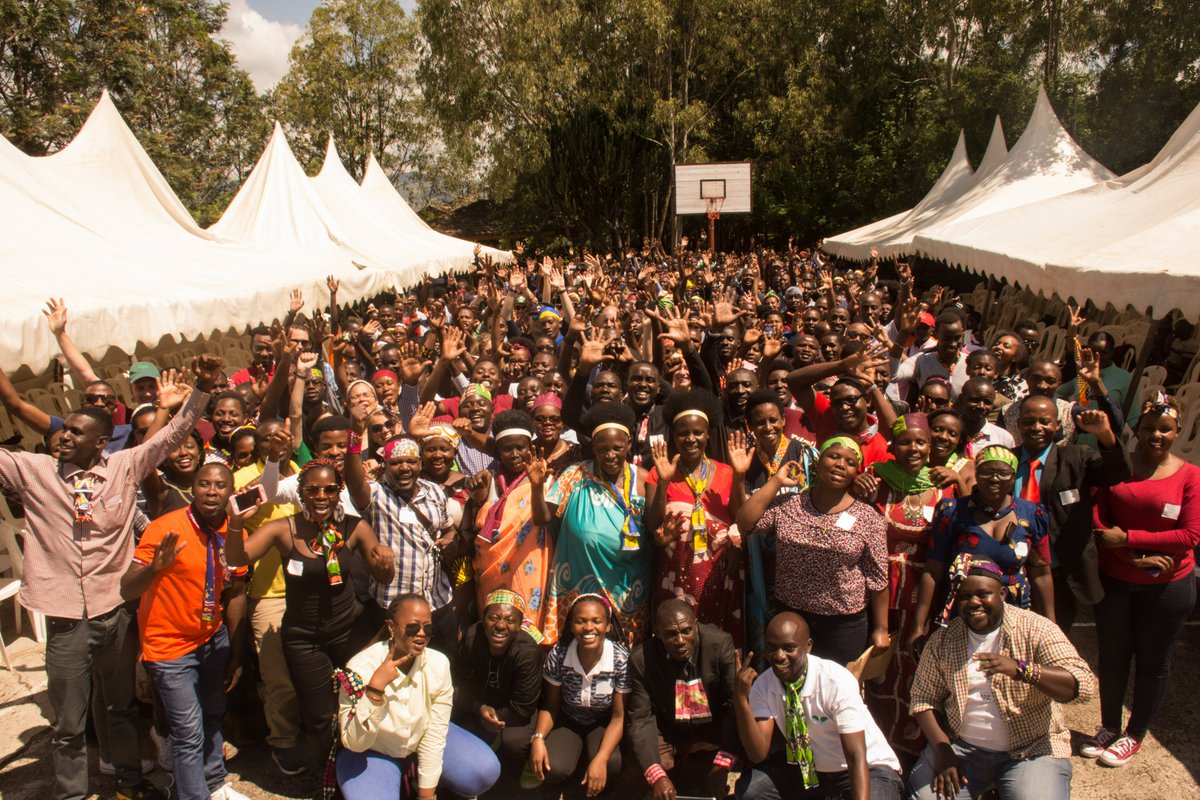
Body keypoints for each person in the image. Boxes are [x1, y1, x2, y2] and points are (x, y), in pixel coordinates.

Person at [0, 369, 208, 800]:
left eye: (76, 432)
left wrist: (199, 390)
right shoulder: (33, 470)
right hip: (66, 620)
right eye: (65, 431)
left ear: (100, 442)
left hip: (115, 612)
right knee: (68, 724)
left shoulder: (123, 467)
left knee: (121, 708)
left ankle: (129, 783)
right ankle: (71, 794)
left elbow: (172, 437)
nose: (64, 437)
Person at [223, 459, 395, 772]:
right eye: (312, 489)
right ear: (300, 492)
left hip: (348, 632)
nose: (321, 496)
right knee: (317, 714)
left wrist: (385, 564)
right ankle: (328, 769)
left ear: (339, 492)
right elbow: (236, 558)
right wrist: (235, 523)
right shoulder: (282, 529)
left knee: (356, 699)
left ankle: (360, 763)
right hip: (304, 639)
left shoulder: (354, 527)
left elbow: (382, 576)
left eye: (330, 489)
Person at [908, 557, 1095, 800]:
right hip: (963, 749)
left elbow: (1082, 685)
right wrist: (943, 751)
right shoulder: (943, 640)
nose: (974, 602)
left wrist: (1023, 670)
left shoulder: (1037, 629)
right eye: (964, 596)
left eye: (983, 594)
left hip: (1031, 749)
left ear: (1003, 593)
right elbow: (922, 699)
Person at [119, 463, 250, 800]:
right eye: (204, 484)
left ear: (230, 491)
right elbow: (127, 589)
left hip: (211, 638)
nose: (211, 491)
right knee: (188, 732)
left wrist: (235, 653)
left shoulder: (234, 531)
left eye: (220, 485)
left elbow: (235, 591)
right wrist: (153, 568)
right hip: (169, 647)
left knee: (212, 715)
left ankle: (214, 781)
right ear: (192, 489)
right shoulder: (165, 529)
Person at [1082, 393, 1200, 767]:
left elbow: (1190, 535)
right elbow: (1100, 521)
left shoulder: (1191, 476)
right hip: (1116, 578)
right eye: (1149, 428)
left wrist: (1131, 540)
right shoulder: (1115, 466)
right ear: (1138, 430)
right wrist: (1133, 556)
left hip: (1168, 587)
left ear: (1176, 432)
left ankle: (1134, 735)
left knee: (1153, 662)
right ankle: (1109, 726)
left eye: (1164, 429)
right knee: (1113, 656)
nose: (1156, 436)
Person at [853, 413, 957, 758]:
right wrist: (856, 484)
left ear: (930, 447)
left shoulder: (944, 486)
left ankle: (913, 747)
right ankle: (876, 746)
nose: (913, 448)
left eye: (920, 442)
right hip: (877, 591)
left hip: (920, 591)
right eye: (905, 441)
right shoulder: (876, 481)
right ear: (893, 446)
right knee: (876, 668)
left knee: (915, 665)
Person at [736, 437, 889, 665]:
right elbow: (744, 523)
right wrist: (776, 482)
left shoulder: (869, 519)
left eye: (849, 462)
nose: (840, 464)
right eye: (834, 456)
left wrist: (881, 628)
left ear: (855, 472)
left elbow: (877, 578)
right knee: (789, 690)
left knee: (834, 694)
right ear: (818, 462)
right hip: (791, 618)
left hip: (843, 626)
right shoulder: (789, 505)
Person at [335, 594, 500, 800]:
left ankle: (415, 780)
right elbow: (355, 743)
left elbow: (435, 732)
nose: (422, 634)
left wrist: (426, 794)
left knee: (484, 770)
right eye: (413, 627)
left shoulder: (438, 664)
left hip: (420, 739)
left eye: (428, 628)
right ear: (391, 627)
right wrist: (375, 691)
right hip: (373, 752)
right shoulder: (359, 668)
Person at [733, 611, 904, 799]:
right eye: (772, 647)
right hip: (810, 768)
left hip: (867, 769)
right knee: (752, 792)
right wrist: (741, 700)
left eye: (789, 648)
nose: (779, 656)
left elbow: (856, 757)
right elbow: (757, 753)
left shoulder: (835, 681)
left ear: (808, 647)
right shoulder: (763, 685)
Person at [909, 446, 1053, 651]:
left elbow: (1041, 574)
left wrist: (1051, 627)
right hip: (963, 612)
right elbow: (933, 570)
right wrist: (918, 626)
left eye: (1003, 473)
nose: (994, 479)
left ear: (1013, 477)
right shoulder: (953, 512)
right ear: (976, 474)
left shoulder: (1031, 515)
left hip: (1013, 611)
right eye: (986, 472)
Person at [534, 402, 652, 644]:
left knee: (623, 651)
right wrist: (537, 486)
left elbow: (653, 527)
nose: (610, 455)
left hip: (628, 587)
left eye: (617, 448)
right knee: (576, 646)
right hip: (578, 582)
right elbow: (542, 517)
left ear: (628, 445)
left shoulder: (642, 479)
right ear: (594, 448)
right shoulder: (574, 474)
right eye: (603, 448)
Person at [1012, 395, 1130, 631]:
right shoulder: (1007, 461)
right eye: (1029, 421)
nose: (1037, 427)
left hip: (1058, 577)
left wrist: (1104, 434)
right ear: (1019, 424)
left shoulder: (1076, 458)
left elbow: (1117, 474)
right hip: (1013, 574)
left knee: (1051, 641)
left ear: (1057, 426)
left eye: (1045, 421)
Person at [645, 388, 747, 644]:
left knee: (715, 639)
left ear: (707, 434)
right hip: (675, 573)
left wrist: (739, 477)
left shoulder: (725, 471)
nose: (690, 438)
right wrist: (665, 483)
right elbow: (651, 523)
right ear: (673, 436)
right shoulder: (659, 473)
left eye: (697, 432)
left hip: (718, 571)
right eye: (683, 433)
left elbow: (739, 516)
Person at [628, 599, 741, 800]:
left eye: (687, 631)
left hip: (712, 727)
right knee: (655, 767)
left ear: (696, 626)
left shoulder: (719, 643)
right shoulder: (641, 659)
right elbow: (640, 718)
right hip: (669, 729)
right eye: (671, 634)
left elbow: (735, 704)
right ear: (658, 632)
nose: (680, 641)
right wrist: (656, 776)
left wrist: (723, 762)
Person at [528, 594, 630, 797]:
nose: (588, 628)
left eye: (596, 621)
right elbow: (550, 705)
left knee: (612, 764)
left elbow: (619, 717)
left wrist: (601, 757)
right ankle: (574, 761)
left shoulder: (621, 659)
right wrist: (538, 739)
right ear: (572, 625)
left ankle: (593, 765)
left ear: (608, 626)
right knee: (554, 768)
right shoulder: (558, 655)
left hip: (602, 723)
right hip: (569, 720)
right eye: (581, 621)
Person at [465, 409, 555, 630]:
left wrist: (536, 486)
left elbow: (543, 518)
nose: (514, 454)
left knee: (527, 627)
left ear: (530, 447)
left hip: (528, 564)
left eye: (520, 447)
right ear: (497, 450)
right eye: (507, 448)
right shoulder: (488, 479)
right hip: (490, 569)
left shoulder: (545, 477)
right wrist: (477, 499)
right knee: (494, 625)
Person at [451, 589, 545, 761]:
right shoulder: (472, 636)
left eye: (510, 621)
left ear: (519, 626)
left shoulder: (527, 653)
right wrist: (478, 708)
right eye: (493, 618)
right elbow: (456, 681)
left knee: (514, 742)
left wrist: (493, 717)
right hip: (483, 701)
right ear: (483, 620)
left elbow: (523, 708)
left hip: (516, 708)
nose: (501, 626)